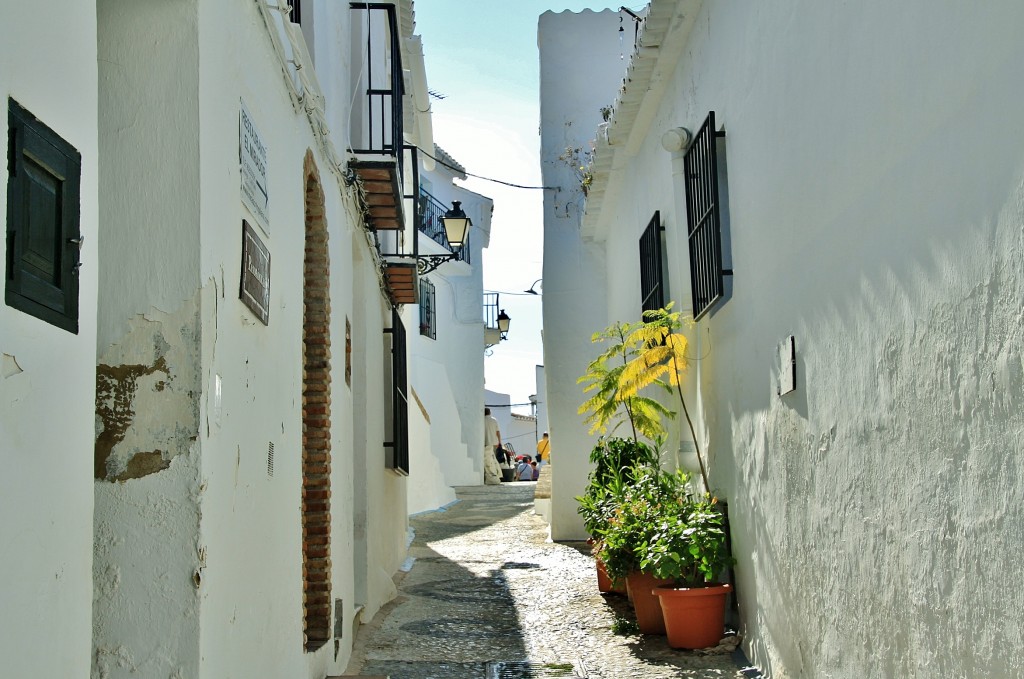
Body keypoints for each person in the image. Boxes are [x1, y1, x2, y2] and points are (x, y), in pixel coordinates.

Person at [483, 408, 503, 485]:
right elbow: (498, 432)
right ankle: (494, 476)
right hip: (494, 443)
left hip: (485, 442)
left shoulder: (482, 420)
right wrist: (500, 442)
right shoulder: (494, 420)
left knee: (487, 460)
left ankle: (489, 477)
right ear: (490, 412)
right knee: (492, 460)